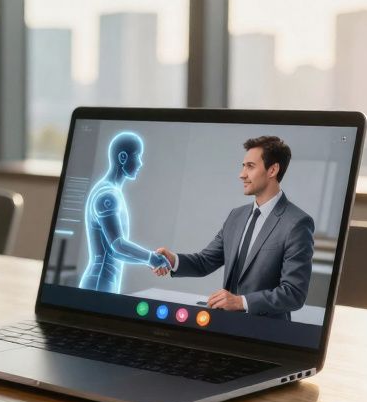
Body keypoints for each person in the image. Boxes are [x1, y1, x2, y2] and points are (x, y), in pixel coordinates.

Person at [152, 135, 315, 320]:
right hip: (225, 326)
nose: (242, 174)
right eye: (243, 166)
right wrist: (174, 260)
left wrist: (241, 302)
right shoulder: (236, 216)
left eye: (250, 166)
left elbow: (294, 293)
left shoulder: (297, 223)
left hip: (265, 335)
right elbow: (205, 262)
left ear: (273, 170)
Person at [79, 131, 171, 294]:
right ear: (122, 158)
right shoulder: (108, 195)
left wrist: (150, 261)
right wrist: (150, 257)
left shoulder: (109, 192)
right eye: (137, 156)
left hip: (104, 282)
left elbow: (115, 253)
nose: (141, 163)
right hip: (100, 283)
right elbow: (118, 245)